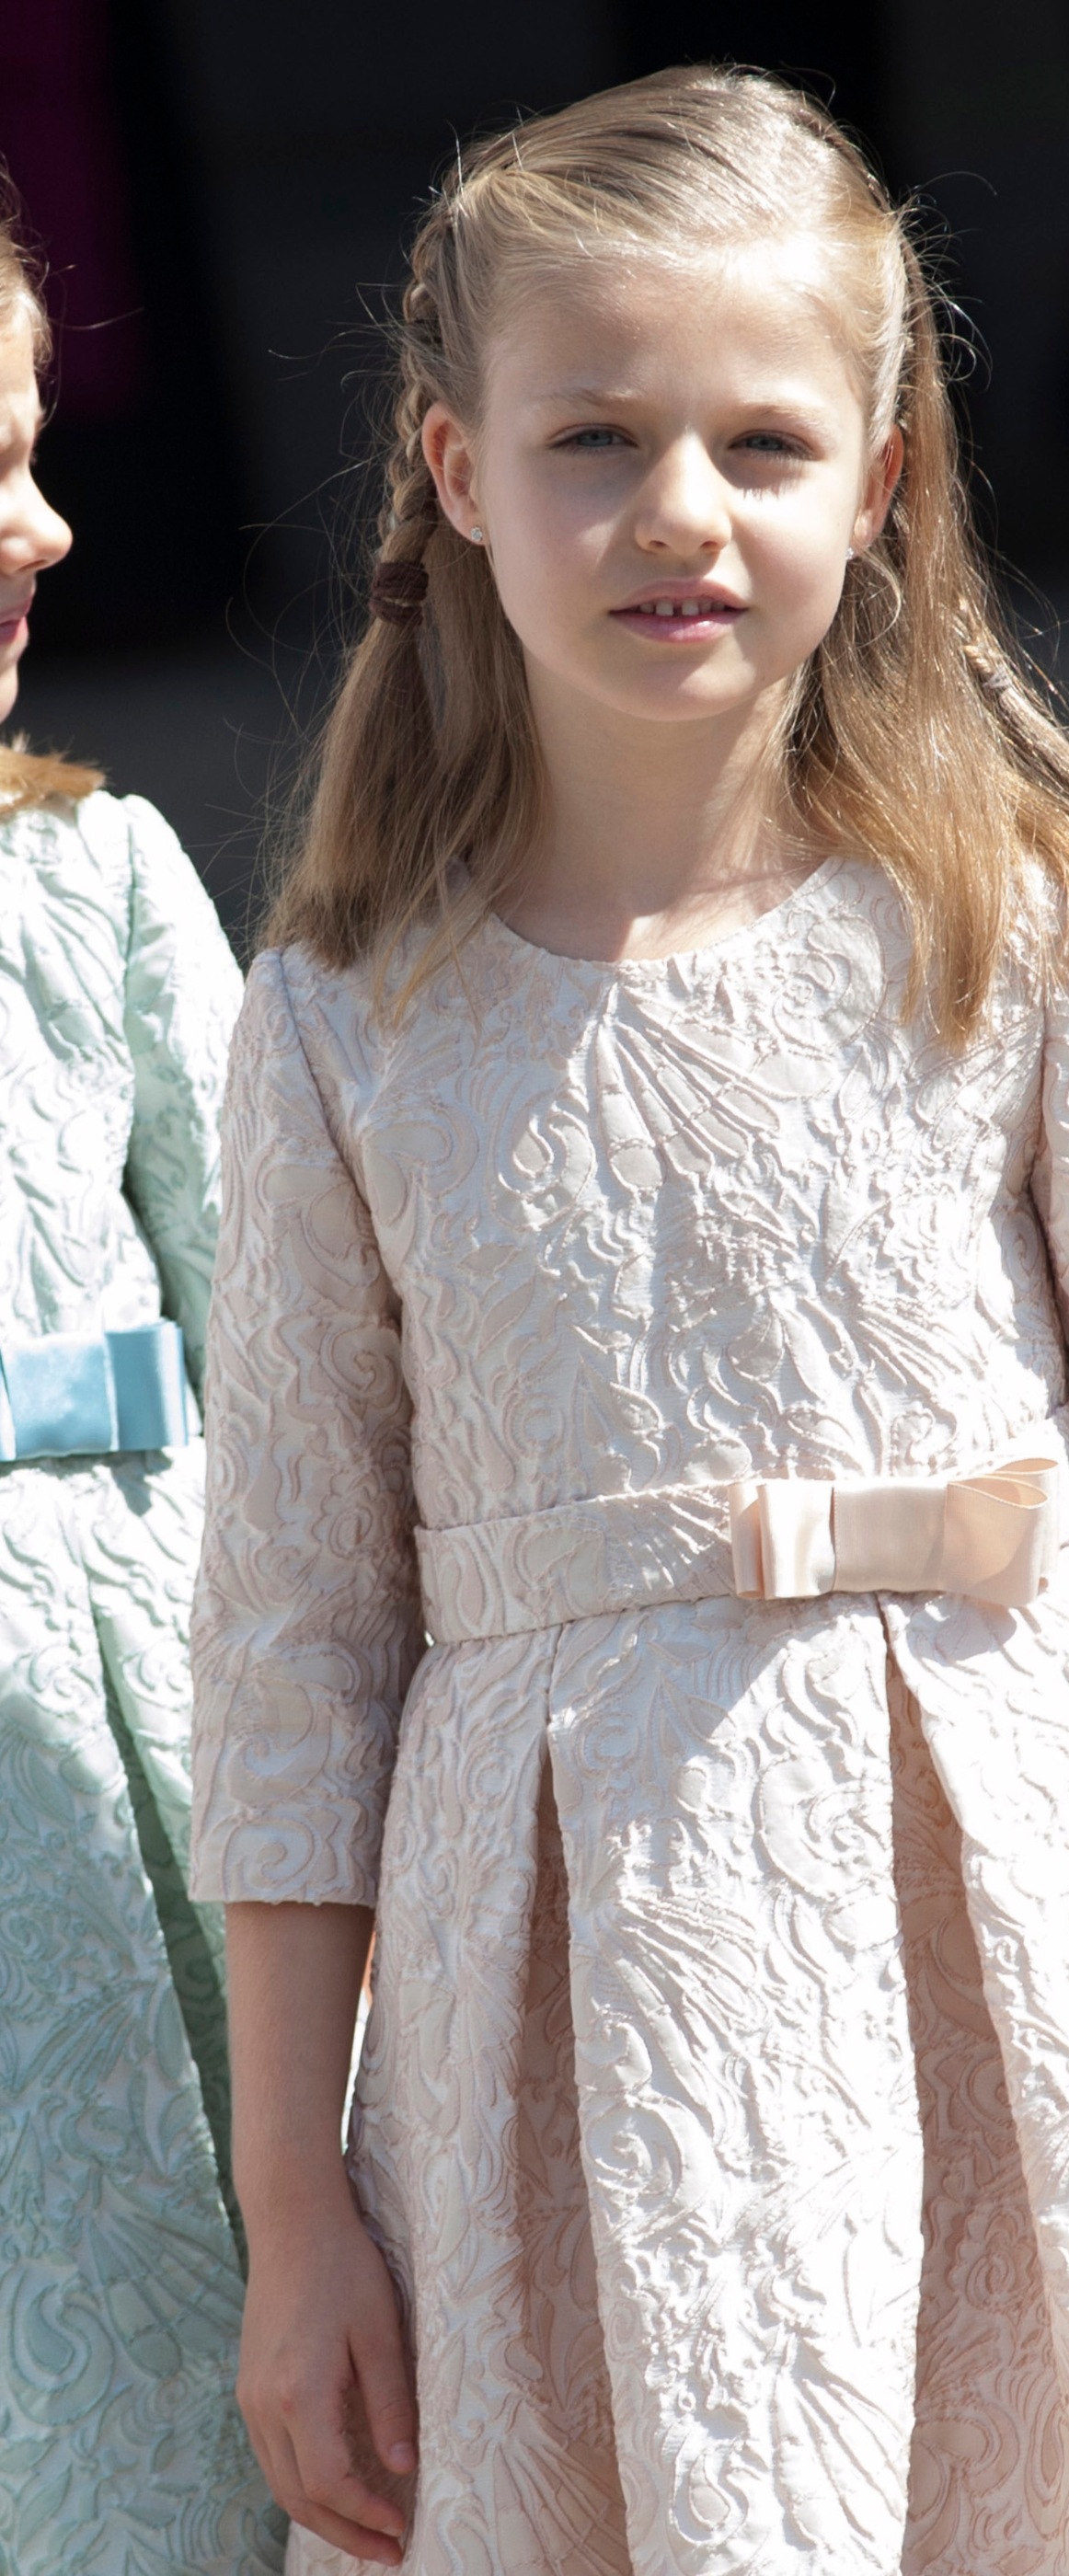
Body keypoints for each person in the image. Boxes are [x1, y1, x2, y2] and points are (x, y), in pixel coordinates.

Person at [190, 70, 1069, 2576]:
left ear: (886, 478)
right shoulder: (344, 1026)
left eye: (759, 438)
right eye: (592, 436)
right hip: (580, 2073)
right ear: (458, 473)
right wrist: (304, 2216)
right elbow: (292, 1659)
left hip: (1033, 2013)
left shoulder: (1021, 936)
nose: (678, 510)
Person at [0, 183, 283, 2574]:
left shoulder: (90, 889)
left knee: (154, 2418)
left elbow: (298, 1352)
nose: (52, 520)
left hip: (130, 1789)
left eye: (38, 442)